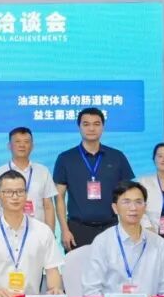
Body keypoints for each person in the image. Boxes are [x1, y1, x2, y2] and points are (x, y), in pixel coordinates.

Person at [0, 170, 64, 297]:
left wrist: (54, 289)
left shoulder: (43, 231)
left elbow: (52, 269)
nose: (15, 197)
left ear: (26, 194)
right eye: (8, 192)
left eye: (20, 191)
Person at [53, 107, 135, 251]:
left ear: (103, 127)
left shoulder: (117, 157)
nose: (91, 128)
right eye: (86, 124)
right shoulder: (65, 158)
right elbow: (59, 197)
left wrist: (127, 227)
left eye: (96, 124)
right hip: (77, 229)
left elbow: (129, 195)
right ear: (79, 127)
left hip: (111, 227)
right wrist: (64, 230)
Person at [82, 181, 164, 297]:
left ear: (145, 207)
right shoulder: (103, 242)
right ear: (115, 208)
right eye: (126, 202)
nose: (133, 208)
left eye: (138, 202)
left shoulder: (158, 243)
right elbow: (91, 290)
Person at [0, 127, 57, 231]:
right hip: (7, 232)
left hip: (37, 232)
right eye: (17, 142)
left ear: (32, 146)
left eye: (26, 142)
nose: (22, 145)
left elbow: (48, 207)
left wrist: (50, 234)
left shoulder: (43, 171)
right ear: (9, 146)